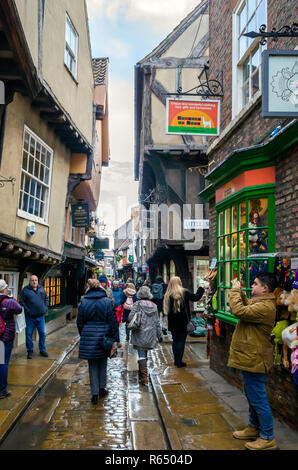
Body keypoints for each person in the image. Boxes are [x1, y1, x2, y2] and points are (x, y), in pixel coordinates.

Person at [228, 273, 277, 451]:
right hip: (249, 357)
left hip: (255, 358)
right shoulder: (260, 302)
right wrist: (240, 292)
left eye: (255, 284)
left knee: (258, 398)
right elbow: (246, 304)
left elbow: (239, 311)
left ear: (265, 288)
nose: (252, 286)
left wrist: (234, 291)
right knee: (251, 396)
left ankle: (267, 436)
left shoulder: (266, 307)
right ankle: (254, 427)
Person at [77, 279, 119, 405]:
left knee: (92, 365)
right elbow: (113, 321)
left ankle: (94, 394)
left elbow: (79, 322)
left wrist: (83, 333)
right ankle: (102, 388)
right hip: (104, 336)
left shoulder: (84, 302)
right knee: (103, 362)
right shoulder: (106, 301)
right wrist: (115, 338)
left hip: (89, 335)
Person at [163, 276, 204, 368]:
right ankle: (179, 362)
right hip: (183, 322)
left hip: (172, 323)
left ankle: (176, 361)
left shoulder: (167, 294)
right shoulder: (184, 292)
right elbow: (196, 297)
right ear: (179, 282)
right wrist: (201, 288)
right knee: (181, 341)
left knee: (175, 341)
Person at [128, 286, 162, 385]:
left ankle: (144, 378)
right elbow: (157, 322)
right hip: (150, 334)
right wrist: (159, 335)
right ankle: (143, 374)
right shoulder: (154, 306)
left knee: (141, 354)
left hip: (139, 333)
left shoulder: (137, 304)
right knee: (145, 353)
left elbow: (130, 317)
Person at [0, 279, 22, 399]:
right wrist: (12, 298)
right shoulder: (9, 301)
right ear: (4, 289)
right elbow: (19, 309)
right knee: (3, 363)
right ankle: (2, 390)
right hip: (6, 335)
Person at [19, 274, 49, 359]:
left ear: (37, 281)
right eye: (32, 280)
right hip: (30, 318)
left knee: (42, 333)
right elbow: (22, 302)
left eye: (35, 280)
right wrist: (28, 311)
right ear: (30, 281)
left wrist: (45, 308)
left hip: (40, 317)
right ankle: (30, 351)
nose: (34, 282)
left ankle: (42, 350)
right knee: (28, 334)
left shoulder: (42, 289)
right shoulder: (25, 290)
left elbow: (46, 299)